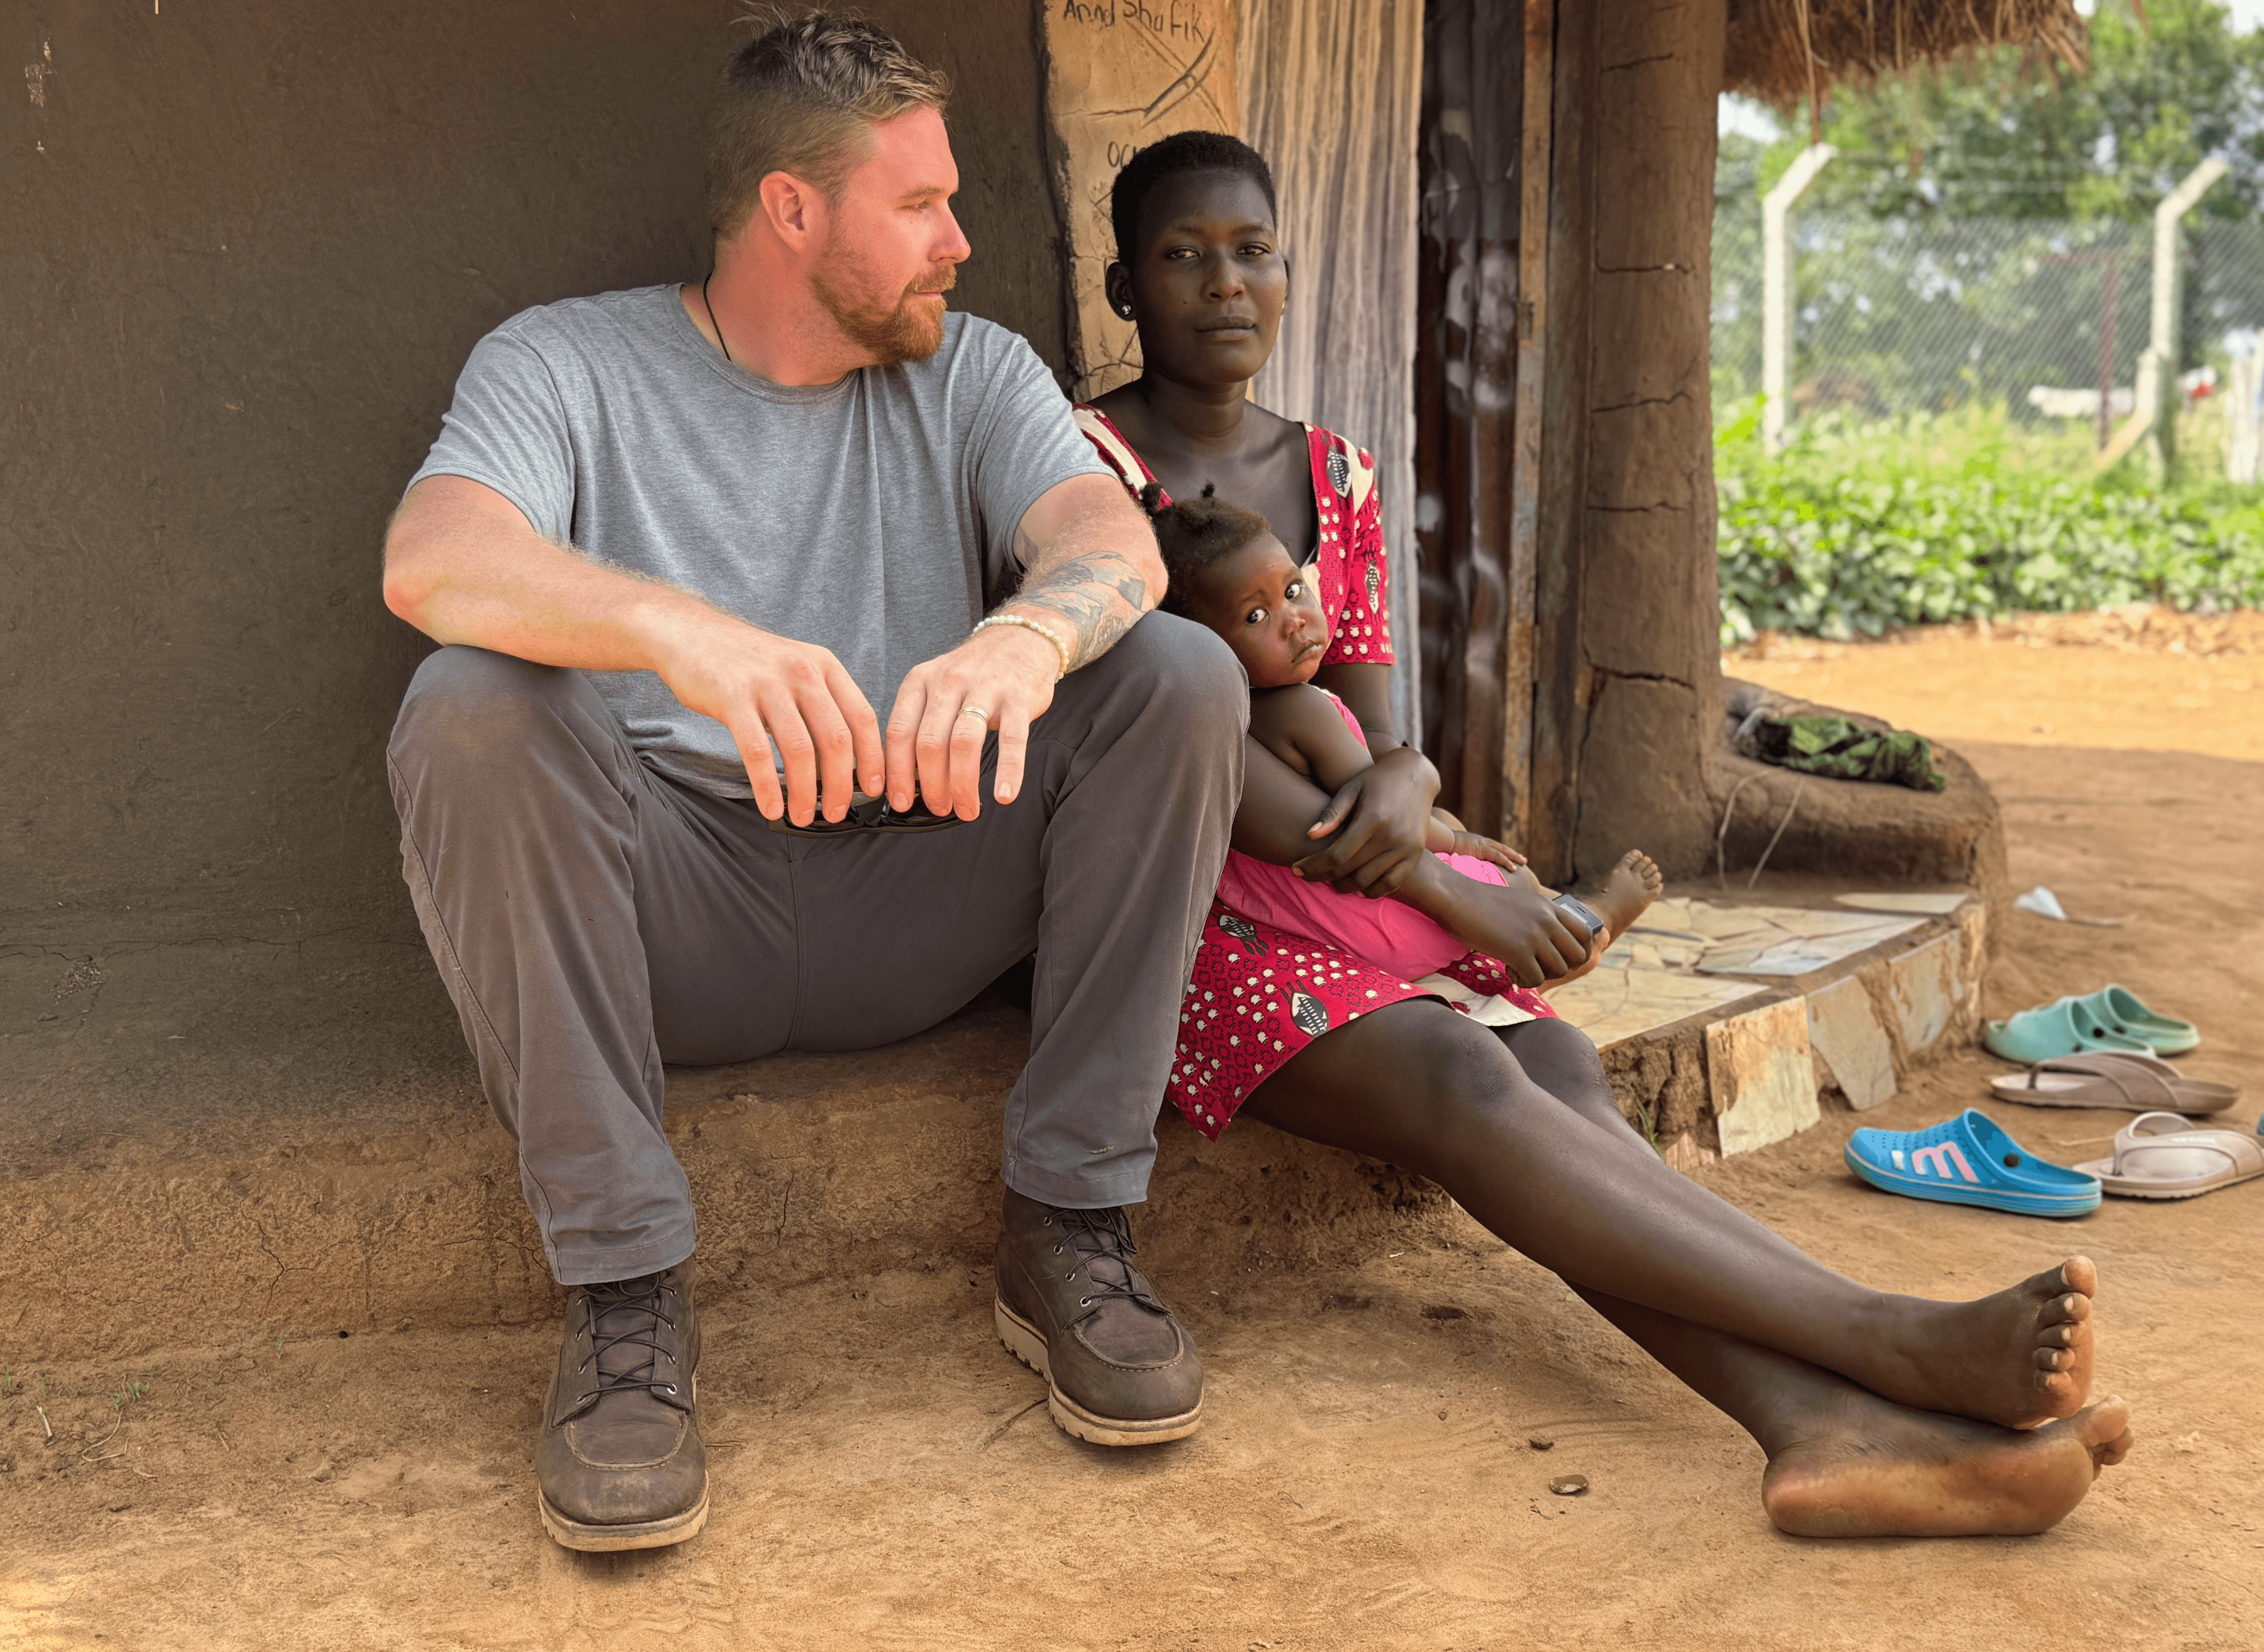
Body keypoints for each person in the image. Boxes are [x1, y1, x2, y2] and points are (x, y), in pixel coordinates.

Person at [1074, 130, 2134, 1536]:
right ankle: (1886, 1341)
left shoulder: (1335, 472)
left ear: (1289, 269)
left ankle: (1813, 1423)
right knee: (1462, 1069)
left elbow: (1384, 735)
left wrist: (1408, 786)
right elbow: (1179, 737)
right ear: (1121, 286)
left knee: (1559, 1061)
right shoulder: (1086, 467)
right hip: (1181, 910)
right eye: (1181, 254)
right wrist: (1429, 861)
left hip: (1356, 895)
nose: (1225, 282)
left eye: (1252, 250)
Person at [381, 17, 1239, 1552]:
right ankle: (626, 1296)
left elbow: (1112, 543)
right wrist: (680, 635)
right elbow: (435, 560)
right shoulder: (565, 361)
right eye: (919, 206)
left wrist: (1025, 643)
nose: (961, 242)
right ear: (792, 208)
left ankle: (1071, 1225)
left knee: (1177, 674)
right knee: (469, 707)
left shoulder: (976, 370)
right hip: (665, 922)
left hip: (920, 890)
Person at [1142, 483, 1665, 997]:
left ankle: (1542, 954)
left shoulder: (1212, 733)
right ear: (1205, 646)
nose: (1294, 621)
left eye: (1293, 590)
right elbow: (1388, 822)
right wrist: (1463, 842)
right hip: (1376, 918)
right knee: (1516, 880)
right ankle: (1594, 918)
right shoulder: (1302, 709)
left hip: (1301, 929)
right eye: (1256, 617)